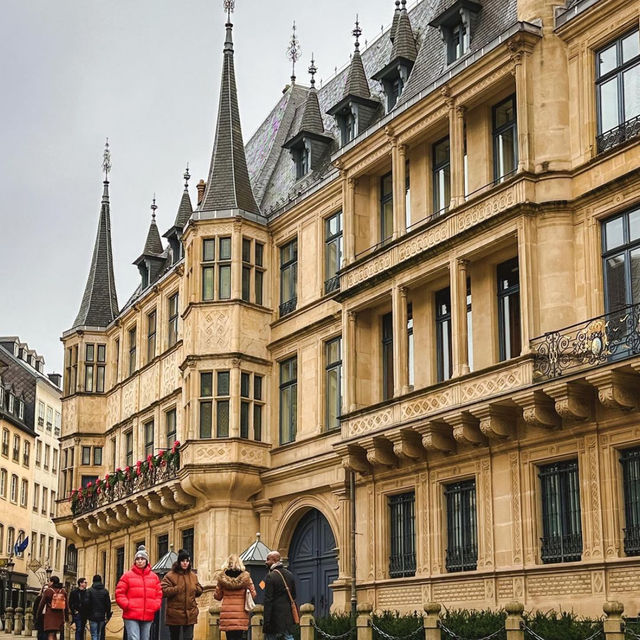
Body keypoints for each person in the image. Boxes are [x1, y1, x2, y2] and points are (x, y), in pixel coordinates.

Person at [115, 545, 162, 640]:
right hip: (131, 614)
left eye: (142, 559)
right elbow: (119, 593)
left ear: (146, 561)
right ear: (135, 561)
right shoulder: (127, 576)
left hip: (147, 614)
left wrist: (154, 606)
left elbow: (159, 594)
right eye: (138, 559)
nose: (140, 561)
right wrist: (127, 605)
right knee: (134, 638)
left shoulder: (154, 577)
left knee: (145, 638)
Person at [161, 549, 204, 640]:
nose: (185, 563)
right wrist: (177, 589)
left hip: (190, 613)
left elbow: (199, 588)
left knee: (188, 637)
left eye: (187, 561)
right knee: (175, 637)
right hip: (175, 614)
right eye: (183, 561)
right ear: (179, 562)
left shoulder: (193, 576)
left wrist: (197, 589)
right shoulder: (170, 575)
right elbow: (163, 591)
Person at [213, 554, 257, 640]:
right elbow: (253, 594)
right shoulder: (246, 578)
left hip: (227, 614)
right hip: (241, 614)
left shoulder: (222, 578)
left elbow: (218, 596)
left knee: (229, 637)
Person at [262, 551, 297, 640]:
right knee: (289, 637)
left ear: (274, 560)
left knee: (271, 637)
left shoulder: (270, 576)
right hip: (287, 615)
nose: (266, 562)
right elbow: (294, 595)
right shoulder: (290, 574)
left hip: (274, 616)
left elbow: (268, 600)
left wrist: (266, 621)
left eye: (267, 559)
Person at [36, 575, 69, 640]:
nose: (48, 583)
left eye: (49, 581)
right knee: (55, 634)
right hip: (60, 615)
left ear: (52, 582)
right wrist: (66, 617)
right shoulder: (63, 591)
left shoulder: (48, 591)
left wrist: (38, 615)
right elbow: (66, 605)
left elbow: (41, 604)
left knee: (50, 634)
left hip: (50, 615)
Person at [84, 574, 111, 640]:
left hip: (92, 616)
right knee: (99, 634)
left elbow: (86, 603)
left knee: (94, 634)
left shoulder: (89, 591)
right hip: (102, 616)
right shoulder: (105, 591)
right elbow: (108, 604)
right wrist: (108, 615)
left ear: (93, 581)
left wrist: (87, 614)